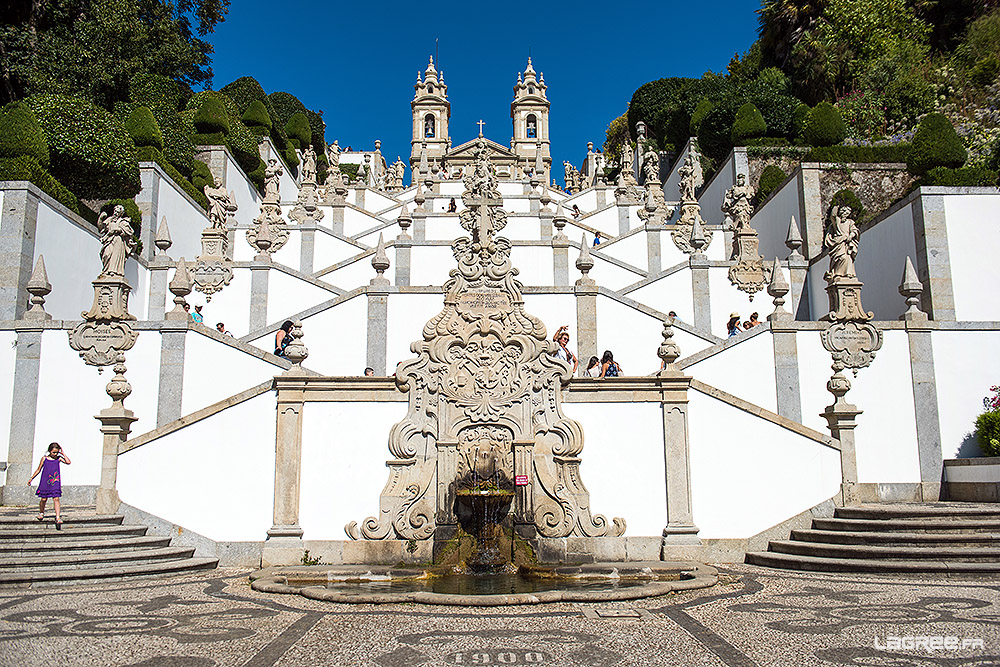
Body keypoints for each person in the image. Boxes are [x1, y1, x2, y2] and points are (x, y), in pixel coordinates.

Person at [29, 443, 71, 529]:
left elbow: (68, 462)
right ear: (49, 451)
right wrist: (31, 478)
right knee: (44, 499)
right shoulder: (44, 459)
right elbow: (38, 469)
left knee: (56, 498)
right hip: (45, 481)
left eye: (56, 452)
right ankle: (41, 512)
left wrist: (63, 453)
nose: (55, 454)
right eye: (54, 452)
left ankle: (58, 517)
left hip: (55, 480)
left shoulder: (59, 459)